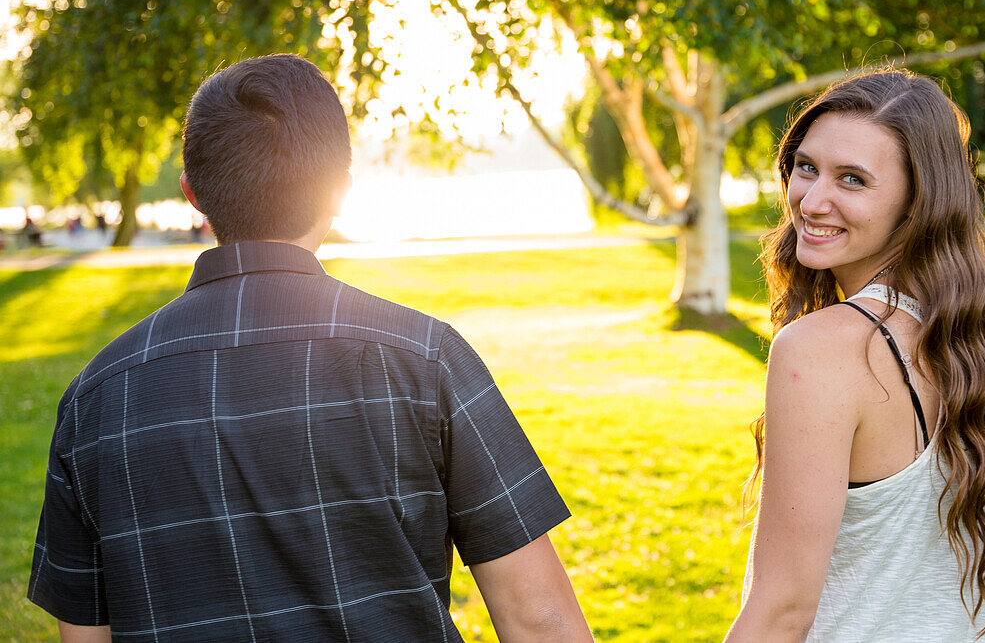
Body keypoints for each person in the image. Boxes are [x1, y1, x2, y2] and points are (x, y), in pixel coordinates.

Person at [28, 54, 592, 643]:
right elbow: (540, 620)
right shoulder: (426, 359)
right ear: (339, 192)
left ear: (192, 193)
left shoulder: (95, 398)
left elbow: (85, 638)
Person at [725, 69, 985, 642]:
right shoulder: (975, 333)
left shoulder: (822, 348)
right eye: (806, 168)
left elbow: (781, 610)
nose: (813, 200)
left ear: (917, 202)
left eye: (852, 180)